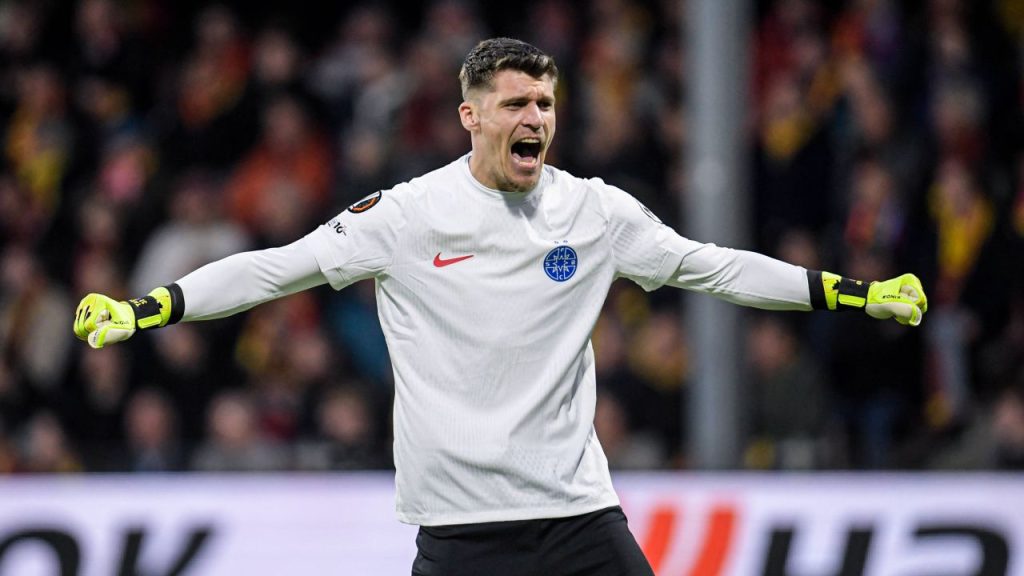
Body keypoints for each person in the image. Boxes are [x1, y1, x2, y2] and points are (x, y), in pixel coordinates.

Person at [72, 38, 928, 576]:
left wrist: (851, 292)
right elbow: (272, 270)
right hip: (461, 532)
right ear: (470, 116)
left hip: (576, 516)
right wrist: (149, 309)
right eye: (517, 103)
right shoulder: (406, 216)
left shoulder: (595, 211)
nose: (536, 119)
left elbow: (715, 268)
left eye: (546, 104)